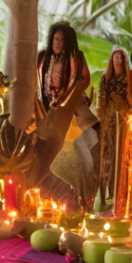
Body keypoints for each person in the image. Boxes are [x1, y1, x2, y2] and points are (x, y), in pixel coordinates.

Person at [35, 22, 98, 185]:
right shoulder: (43, 57)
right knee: (40, 147)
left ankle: (81, 186)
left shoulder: (76, 57)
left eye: (62, 40)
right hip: (44, 110)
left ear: (67, 42)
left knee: (63, 149)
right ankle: (39, 184)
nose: (58, 43)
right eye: (56, 39)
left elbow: (84, 79)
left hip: (68, 111)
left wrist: (69, 98)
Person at [97, 49, 132, 206]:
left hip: (124, 120)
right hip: (110, 121)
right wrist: (102, 119)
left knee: (123, 154)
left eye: (121, 58)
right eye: (116, 58)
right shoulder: (106, 77)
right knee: (109, 155)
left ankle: (122, 191)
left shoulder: (129, 77)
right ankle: (109, 191)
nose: (118, 61)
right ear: (112, 60)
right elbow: (102, 98)